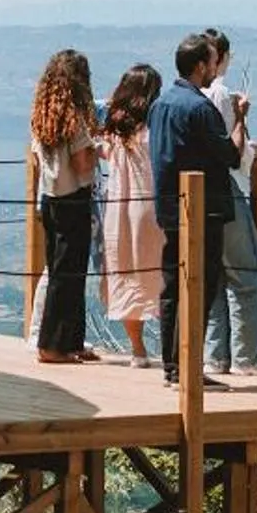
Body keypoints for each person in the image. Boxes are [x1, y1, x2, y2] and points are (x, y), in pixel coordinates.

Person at [147, 32, 239, 388]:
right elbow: (229, 157)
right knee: (199, 287)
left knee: (172, 287)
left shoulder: (161, 103)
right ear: (201, 66)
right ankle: (188, 367)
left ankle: (172, 367)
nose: (216, 67)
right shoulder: (201, 108)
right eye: (214, 61)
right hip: (203, 210)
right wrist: (240, 121)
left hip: (169, 207)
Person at [196, 29, 257, 375]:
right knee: (247, 276)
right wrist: (241, 115)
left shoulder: (189, 94)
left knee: (213, 278)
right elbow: (232, 150)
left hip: (200, 193)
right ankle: (248, 357)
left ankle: (215, 356)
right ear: (223, 58)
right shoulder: (221, 93)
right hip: (229, 189)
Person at [30, 48, 104, 363]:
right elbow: (83, 164)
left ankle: (70, 341)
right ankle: (51, 345)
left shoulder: (42, 116)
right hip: (74, 197)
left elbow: (36, 158)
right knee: (68, 275)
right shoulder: (74, 119)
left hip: (50, 197)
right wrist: (98, 151)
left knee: (63, 271)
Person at [96, 63, 164, 366]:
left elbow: (107, 152)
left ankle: (138, 350)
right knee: (163, 273)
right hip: (151, 203)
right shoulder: (156, 125)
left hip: (118, 208)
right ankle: (176, 347)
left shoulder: (115, 125)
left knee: (125, 271)